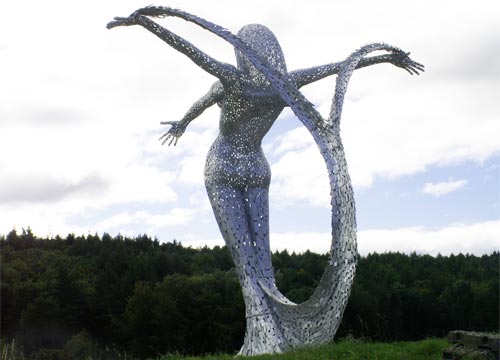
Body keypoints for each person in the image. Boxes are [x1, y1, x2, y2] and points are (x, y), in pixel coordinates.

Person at [108, 8, 423, 355]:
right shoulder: (283, 84)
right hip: (255, 169)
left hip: (226, 168)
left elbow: (190, 50)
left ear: (241, 53)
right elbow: (341, 65)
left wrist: (143, 23)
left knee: (252, 263)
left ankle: (267, 340)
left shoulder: (233, 79)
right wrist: (385, 57)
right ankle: (268, 337)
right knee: (257, 262)